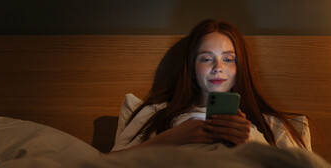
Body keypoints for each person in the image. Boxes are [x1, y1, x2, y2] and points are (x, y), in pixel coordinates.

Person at [111, 19, 307, 152]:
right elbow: (108, 167)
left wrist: (252, 143)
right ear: (192, 68)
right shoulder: (155, 114)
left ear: (241, 68)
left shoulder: (272, 126)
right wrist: (169, 139)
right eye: (206, 59)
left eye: (229, 59)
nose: (218, 68)